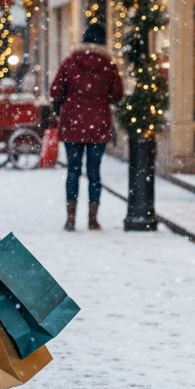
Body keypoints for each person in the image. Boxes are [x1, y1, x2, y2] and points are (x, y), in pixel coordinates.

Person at [49, 22, 124, 232]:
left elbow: (55, 91)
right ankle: (93, 219)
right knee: (94, 173)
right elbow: (117, 95)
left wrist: (68, 101)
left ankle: (70, 218)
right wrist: (100, 98)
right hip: (98, 125)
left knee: (73, 171)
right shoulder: (108, 64)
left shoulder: (70, 62)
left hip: (73, 123)